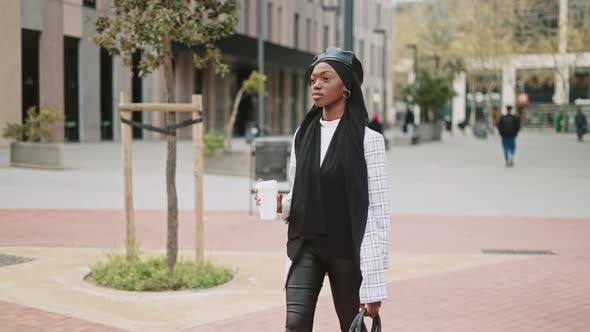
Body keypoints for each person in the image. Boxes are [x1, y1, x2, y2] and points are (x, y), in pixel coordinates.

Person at [255, 47, 390, 332]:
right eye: (313, 79)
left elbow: (378, 214)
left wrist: (375, 285)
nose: (316, 84)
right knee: (296, 323)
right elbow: (299, 195)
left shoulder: (369, 141)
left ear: (346, 87)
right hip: (307, 245)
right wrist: (281, 204)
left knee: (350, 326)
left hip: (347, 251)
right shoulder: (302, 135)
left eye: (326, 78)